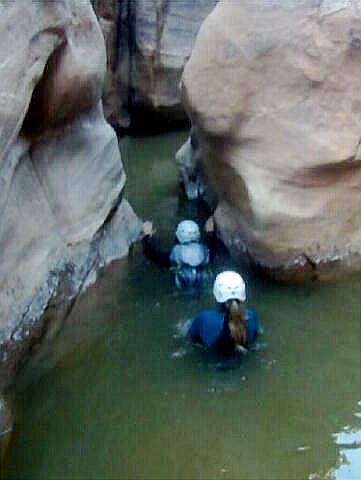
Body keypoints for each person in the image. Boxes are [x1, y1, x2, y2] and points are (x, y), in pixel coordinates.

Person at [186, 271, 260, 354]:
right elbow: (257, 337)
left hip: (212, 362)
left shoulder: (204, 318)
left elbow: (189, 338)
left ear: (216, 294)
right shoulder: (251, 315)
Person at [143, 218, 216, 291]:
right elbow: (213, 248)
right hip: (200, 284)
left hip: (181, 284)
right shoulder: (205, 252)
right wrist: (211, 233)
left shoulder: (175, 255)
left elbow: (150, 253)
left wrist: (147, 235)